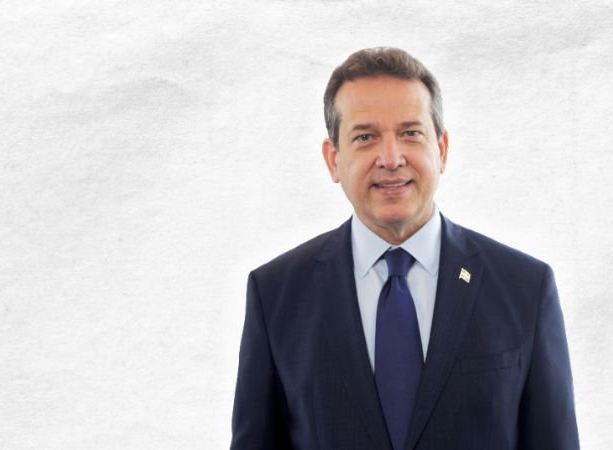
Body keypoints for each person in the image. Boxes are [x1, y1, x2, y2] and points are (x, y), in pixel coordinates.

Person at [231, 47, 579, 450]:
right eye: (365, 137)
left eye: (410, 133)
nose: (391, 158)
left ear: (441, 149)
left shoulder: (524, 288)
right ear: (333, 159)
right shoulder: (277, 294)